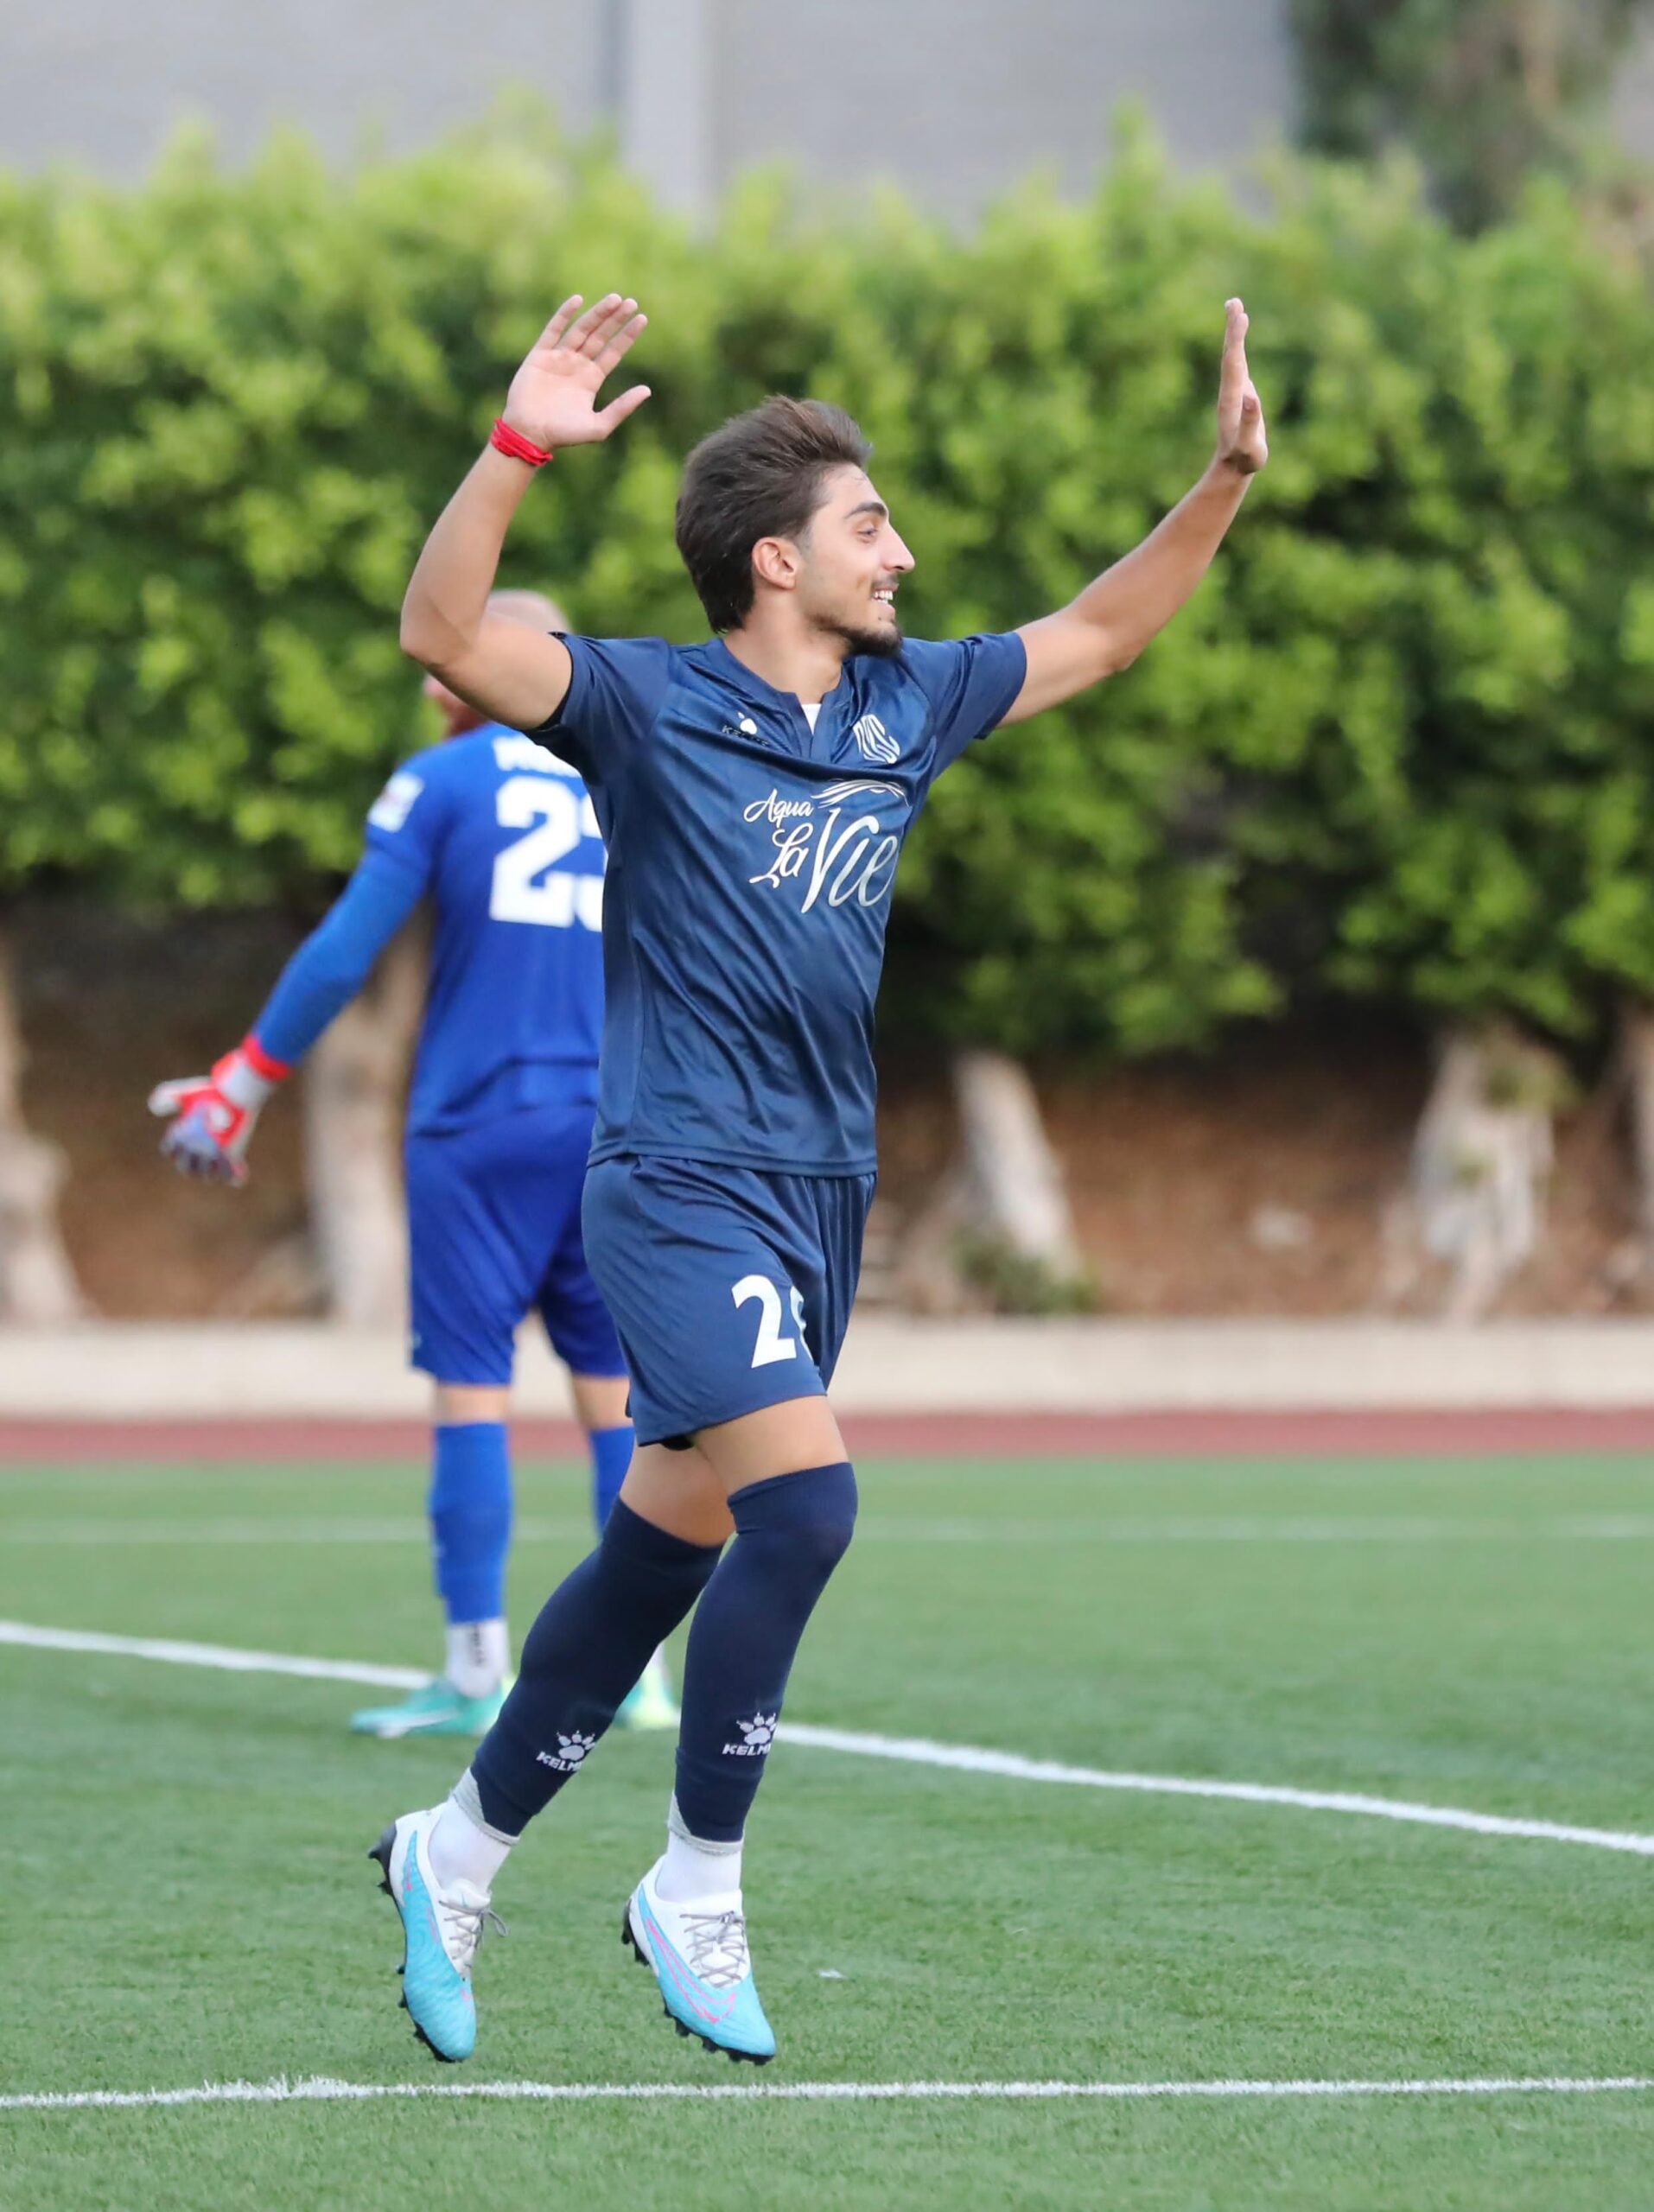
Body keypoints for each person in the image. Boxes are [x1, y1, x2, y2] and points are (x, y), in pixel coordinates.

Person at [374, 290, 1269, 2066]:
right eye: (871, 525)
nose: (902, 553)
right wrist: (518, 443)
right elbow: (442, 631)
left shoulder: (903, 703)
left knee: (661, 1554)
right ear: (775, 559)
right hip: (674, 1183)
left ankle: (452, 1847)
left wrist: (1224, 480)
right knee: (809, 1508)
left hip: (817, 1197)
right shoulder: (645, 702)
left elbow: (1102, 632)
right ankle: (696, 1882)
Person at [149, 588, 678, 1740]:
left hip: (479, 1126)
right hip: (615, 1127)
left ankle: (477, 1669)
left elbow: (345, 948)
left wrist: (241, 1083)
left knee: (472, 1391)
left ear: (463, 674)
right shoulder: (633, 779)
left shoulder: (442, 780)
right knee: (616, 1403)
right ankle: (636, 1674)